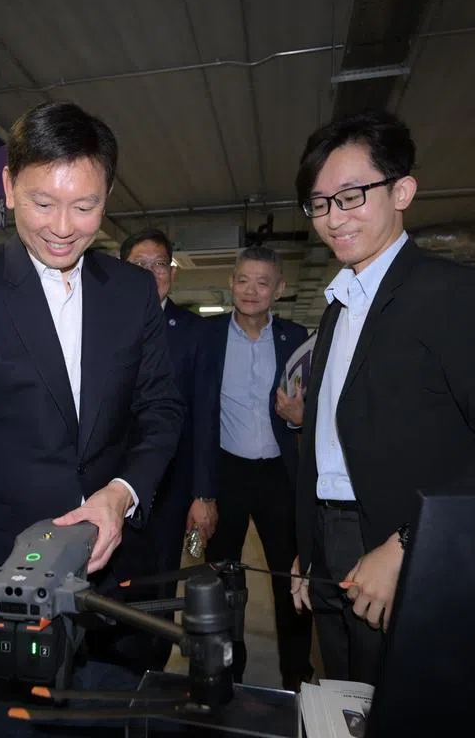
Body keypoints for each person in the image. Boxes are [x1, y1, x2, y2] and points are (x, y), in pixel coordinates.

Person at [285, 109, 475, 684]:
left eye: (352, 195)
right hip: (332, 542)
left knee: (403, 700)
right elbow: (331, 441)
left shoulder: (456, 294)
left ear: (403, 190)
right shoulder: (340, 304)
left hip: (403, 543)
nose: (334, 219)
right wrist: (309, 545)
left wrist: (411, 541)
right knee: (343, 698)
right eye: (319, 203)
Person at [0, 101, 184, 667]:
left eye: (84, 207)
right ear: (8, 187)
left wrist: (121, 492)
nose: (62, 228)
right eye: (42, 202)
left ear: (107, 199)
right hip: (7, 567)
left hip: (118, 565)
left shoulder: (132, 292)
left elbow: (161, 408)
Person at [203, 244, 312, 690]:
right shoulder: (205, 336)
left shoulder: (295, 336)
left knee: (291, 580)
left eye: (263, 282)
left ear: (279, 289)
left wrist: (303, 418)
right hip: (225, 473)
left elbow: (321, 404)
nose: (251, 290)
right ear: (231, 282)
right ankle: (229, 668)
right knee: (223, 581)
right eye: (243, 280)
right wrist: (201, 491)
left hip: (278, 477)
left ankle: (296, 673)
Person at [120, 228, 218, 671]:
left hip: (169, 487)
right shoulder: (100, 324)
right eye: (139, 264)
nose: (150, 272)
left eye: (158, 263)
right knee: (111, 579)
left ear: (171, 274)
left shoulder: (195, 333)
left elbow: (204, 416)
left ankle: (150, 671)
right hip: (109, 483)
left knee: (159, 584)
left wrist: (203, 494)